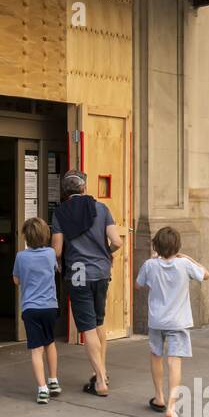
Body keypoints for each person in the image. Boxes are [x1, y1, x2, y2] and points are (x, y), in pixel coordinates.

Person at [51, 170, 122, 397]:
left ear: (65, 191)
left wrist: (58, 264)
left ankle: (100, 381)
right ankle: (103, 370)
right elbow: (117, 242)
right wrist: (105, 254)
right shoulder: (101, 209)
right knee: (99, 323)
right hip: (101, 272)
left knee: (88, 329)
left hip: (78, 274)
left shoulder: (60, 213)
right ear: (84, 188)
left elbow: (58, 250)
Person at [135, 226, 209, 417]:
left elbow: (138, 284)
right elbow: (206, 274)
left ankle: (158, 397)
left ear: (156, 245)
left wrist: (153, 260)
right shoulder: (184, 264)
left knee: (156, 355)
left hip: (156, 319)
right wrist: (190, 258)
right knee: (174, 362)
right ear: (177, 246)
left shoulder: (150, 264)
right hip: (178, 321)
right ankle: (171, 408)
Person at [12, 217, 61, 404]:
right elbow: (55, 269)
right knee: (50, 343)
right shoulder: (50, 254)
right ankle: (54, 380)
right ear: (45, 235)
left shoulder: (21, 256)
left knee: (35, 349)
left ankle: (42, 389)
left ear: (26, 237)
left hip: (30, 308)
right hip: (50, 306)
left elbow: (16, 280)